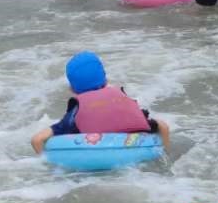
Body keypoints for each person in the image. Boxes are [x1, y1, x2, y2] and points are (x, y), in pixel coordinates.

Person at [30, 51, 169, 154]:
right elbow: (162, 126)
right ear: (105, 79)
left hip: (95, 156)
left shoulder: (77, 112)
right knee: (160, 124)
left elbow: (37, 140)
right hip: (135, 149)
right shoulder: (120, 97)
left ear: (72, 88)